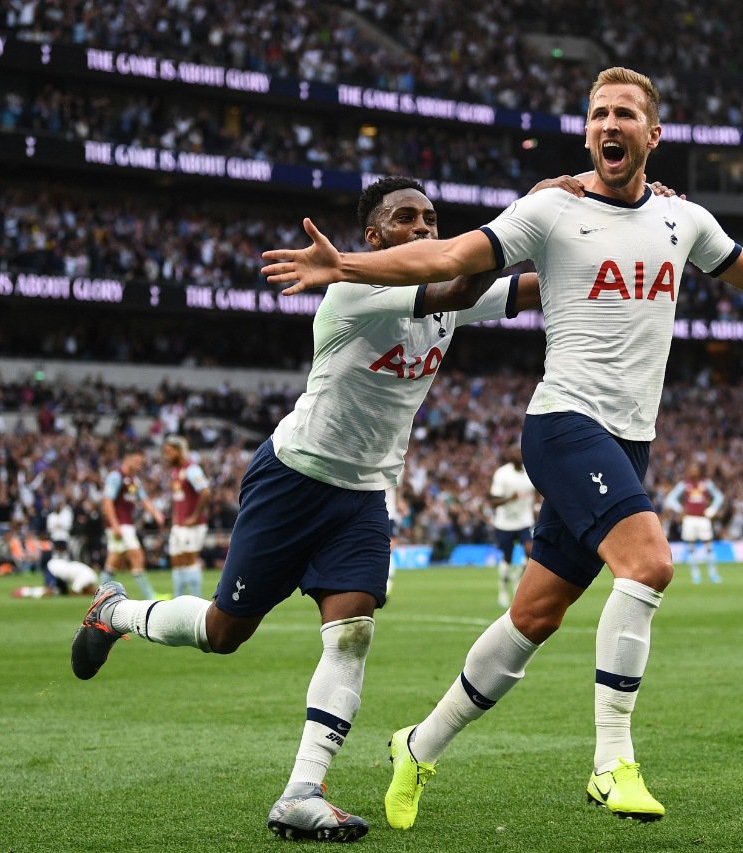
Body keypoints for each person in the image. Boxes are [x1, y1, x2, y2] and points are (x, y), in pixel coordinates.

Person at [261, 65, 743, 829]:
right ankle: (611, 761)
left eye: (625, 114)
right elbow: (452, 258)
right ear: (587, 131)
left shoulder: (681, 219)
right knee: (651, 563)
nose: (608, 125)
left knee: (535, 615)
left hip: (630, 442)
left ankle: (418, 745)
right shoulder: (550, 210)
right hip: (563, 424)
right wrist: (348, 266)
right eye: (597, 114)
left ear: (652, 136)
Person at [70, 174, 549, 843]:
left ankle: (302, 789)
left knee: (352, 631)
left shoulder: (447, 295)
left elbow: (529, 288)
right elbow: (464, 282)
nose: (423, 227)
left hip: (361, 495)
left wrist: (608, 244)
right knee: (223, 630)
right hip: (292, 479)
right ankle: (115, 612)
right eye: (405, 219)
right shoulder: (357, 291)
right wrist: (535, 207)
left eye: (430, 218)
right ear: (373, 237)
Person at [99, 448, 165, 600]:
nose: (139, 465)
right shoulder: (116, 477)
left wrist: (156, 513)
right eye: (136, 461)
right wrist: (114, 524)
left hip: (125, 523)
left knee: (114, 559)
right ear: (127, 460)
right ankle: (150, 595)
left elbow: (143, 499)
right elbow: (107, 501)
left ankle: (99, 596)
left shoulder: (134, 480)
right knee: (137, 556)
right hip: (120, 524)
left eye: (140, 462)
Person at [161, 435, 211, 599]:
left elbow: (205, 492)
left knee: (190, 561)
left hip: (192, 525)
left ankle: (196, 602)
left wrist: (195, 516)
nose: (166, 455)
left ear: (179, 451)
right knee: (176, 561)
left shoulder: (192, 469)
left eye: (169, 452)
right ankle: (178, 601)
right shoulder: (176, 470)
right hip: (179, 525)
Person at [489, 446, 536, 607]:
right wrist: (510, 498)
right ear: (509, 456)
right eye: (515, 452)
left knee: (530, 552)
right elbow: (493, 502)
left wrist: (536, 506)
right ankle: (502, 589)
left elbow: (537, 490)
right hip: (505, 523)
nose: (518, 454)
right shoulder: (502, 474)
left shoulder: (530, 471)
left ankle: (518, 579)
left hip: (524, 521)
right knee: (507, 558)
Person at [663, 463, 725, 584]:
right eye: (691, 469)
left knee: (709, 547)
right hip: (689, 519)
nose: (692, 471)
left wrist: (711, 511)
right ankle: (695, 575)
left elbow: (719, 497)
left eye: (695, 469)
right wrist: (680, 509)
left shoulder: (706, 483)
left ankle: (713, 574)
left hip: (703, 519)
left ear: (699, 471)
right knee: (691, 548)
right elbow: (671, 498)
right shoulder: (684, 484)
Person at [13, 541, 100, 598]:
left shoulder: (92, 576)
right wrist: (83, 595)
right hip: (53, 568)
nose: (92, 592)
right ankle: (25, 591)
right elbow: (74, 592)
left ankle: (26, 591)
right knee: (49, 592)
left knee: (60, 593)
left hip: (62, 574)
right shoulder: (86, 578)